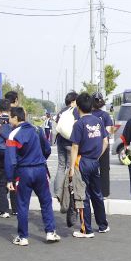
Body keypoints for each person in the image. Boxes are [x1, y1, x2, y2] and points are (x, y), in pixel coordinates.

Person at [5, 107, 60, 246]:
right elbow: (46, 149)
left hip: (23, 172)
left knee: (22, 204)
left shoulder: (13, 134)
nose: (9, 120)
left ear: (16, 118)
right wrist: (40, 159)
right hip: (40, 169)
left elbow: (10, 160)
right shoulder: (37, 130)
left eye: (10, 117)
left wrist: (9, 178)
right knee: (46, 201)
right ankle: (50, 232)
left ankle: (23, 237)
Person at [69, 92, 110, 238]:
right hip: (94, 161)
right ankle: (103, 225)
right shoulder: (98, 121)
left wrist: (72, 167)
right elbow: (105, 141)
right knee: (97, 194)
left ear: (78, 106)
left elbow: (75, 147)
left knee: (83, 196)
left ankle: (86, 229)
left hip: (82, 161)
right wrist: (98, 155)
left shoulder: (79, 124)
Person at [54, 91, 79, 226]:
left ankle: (57, 191)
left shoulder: (62, 111)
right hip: (70, 142)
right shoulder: (74, 111)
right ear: (74, 101)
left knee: (60, 166)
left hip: (60, 141)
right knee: (70, 168)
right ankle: (66, 194)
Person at [91, 91, 113, 198]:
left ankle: (90, 191)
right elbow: (108, 131)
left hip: (90, 145)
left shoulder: (88, 115)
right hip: (103, 145)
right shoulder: (105, 115)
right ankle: (104, 193)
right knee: (104, 170)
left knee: (90, 169)